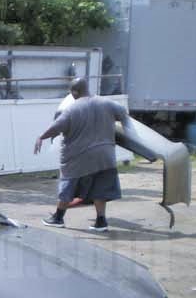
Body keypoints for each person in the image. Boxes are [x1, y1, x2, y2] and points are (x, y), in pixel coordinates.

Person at [34, 77, 129, 231]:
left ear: (74, 92)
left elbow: (56, 127)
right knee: (100, 189)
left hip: (79, 158)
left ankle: (58, 218)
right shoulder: (106, 103)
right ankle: (101, 222)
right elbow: (123, 113)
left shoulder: (72, 109)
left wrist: (41, 137)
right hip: (105, 156)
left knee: (67, 187)